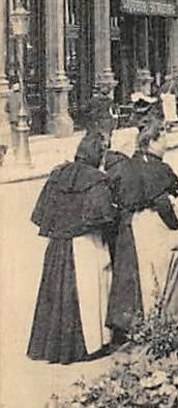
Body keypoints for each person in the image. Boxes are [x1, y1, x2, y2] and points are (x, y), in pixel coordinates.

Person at [27, 133, 115, 364]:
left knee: (57, 295)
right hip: (85, 243)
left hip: (57, 246)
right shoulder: (97, 179)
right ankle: (90, 346)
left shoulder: (57, 175)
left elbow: (40, 214)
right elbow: (104, 218)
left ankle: (55, 349)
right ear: (98, 154)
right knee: (87, 295)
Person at [106, 121, 178, 339]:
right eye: (163, 138)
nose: (167, 143)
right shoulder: (156, 168)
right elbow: (161, 202)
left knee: (145, 273)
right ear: (151, 142)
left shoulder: (131, 164)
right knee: (163, 271)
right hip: (155, 224)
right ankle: (166, 322)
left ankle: (149, 320)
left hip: (136, 224)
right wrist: (175, 227)